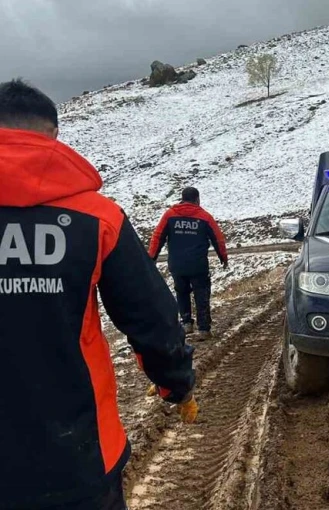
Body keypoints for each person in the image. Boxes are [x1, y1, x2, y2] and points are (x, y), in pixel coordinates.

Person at [0, 79, 198, 510]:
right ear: (52, 136)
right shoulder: (98, 218)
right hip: (78, 457)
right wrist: (176, 384)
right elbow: (151, 317)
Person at [149, 187, 228, 340]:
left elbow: (158, 236)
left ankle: (186, 323)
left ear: (182, 198)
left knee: (181, 292)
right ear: (197, 199)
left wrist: (151, 258)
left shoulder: (170, 215)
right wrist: (223, 257)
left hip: (177, 265)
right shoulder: (204, 217)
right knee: (202, 294)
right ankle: (204, 329)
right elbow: (218, 238)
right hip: (198, 265)